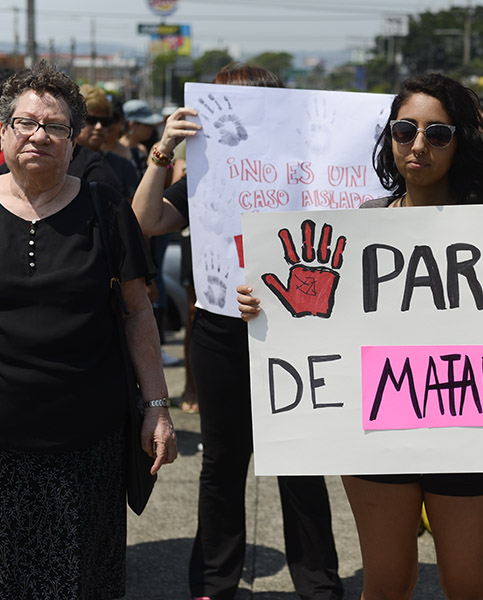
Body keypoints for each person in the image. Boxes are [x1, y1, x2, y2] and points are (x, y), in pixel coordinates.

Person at [238, 73, 483, 599]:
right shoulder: (361, 224)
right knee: (385, 584)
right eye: (405, 130)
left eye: (438, 133)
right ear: (391, 137)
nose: (419, 145)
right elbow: (331, 328)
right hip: (377, 434)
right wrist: (268, 312)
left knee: (469, 585)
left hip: (474, 433)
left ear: (462, 140)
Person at [131, 62, 343, 600]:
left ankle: (319, 583)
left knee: (301, 460)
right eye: (222, 106)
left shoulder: (310, 168)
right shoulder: (202, 179)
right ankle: (214, 583)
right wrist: (164, 152)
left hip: (300, 334)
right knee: (224, 461)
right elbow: (144, 221)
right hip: (221, 332)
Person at [0, 61, 177, 599]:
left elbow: (138, 311)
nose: (39, 136)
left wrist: (157, 407)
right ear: (2, 131)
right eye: (25, 123)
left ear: (73, 142)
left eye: (56, 127)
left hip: (87, 445)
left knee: (79, 580)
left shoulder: (104, 205)